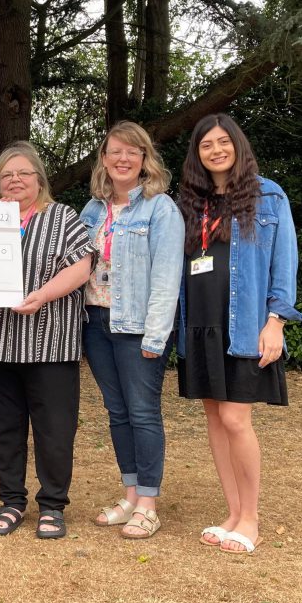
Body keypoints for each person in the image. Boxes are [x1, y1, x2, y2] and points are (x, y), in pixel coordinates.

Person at [177, 113, 302, 555]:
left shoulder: (268, 195)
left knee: (235, 419)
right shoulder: (192, 202)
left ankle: (251, 519)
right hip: (200, 322)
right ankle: (231, 512)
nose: (215, 150)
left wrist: (276, 321)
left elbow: (284, 263)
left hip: (244, 325)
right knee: (214, 419)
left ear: (237, 145)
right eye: (206, 144)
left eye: (222, 141)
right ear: (197, 154)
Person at [0, 141, 95, 540]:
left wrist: (43, 294)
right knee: (3, 427)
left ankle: (53, 505)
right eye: (6, 175)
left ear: (39, 179)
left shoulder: (62, 217)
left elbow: (82, 265)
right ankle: (11, 500)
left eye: (23, 173)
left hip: (50, 342)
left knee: (54, 428)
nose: (14, 180)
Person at [79, 122, 184, 539]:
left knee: (142, 413)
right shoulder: (92, 209)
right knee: (117, 412)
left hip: (137, 327)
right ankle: (130, 495)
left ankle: (149, 504)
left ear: (144, 160)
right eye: (115, 151)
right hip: (96, 323)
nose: (123, 159)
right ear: (104, 158)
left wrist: (156, 336)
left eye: (132, 152)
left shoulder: (161, 208)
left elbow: (167, 277)